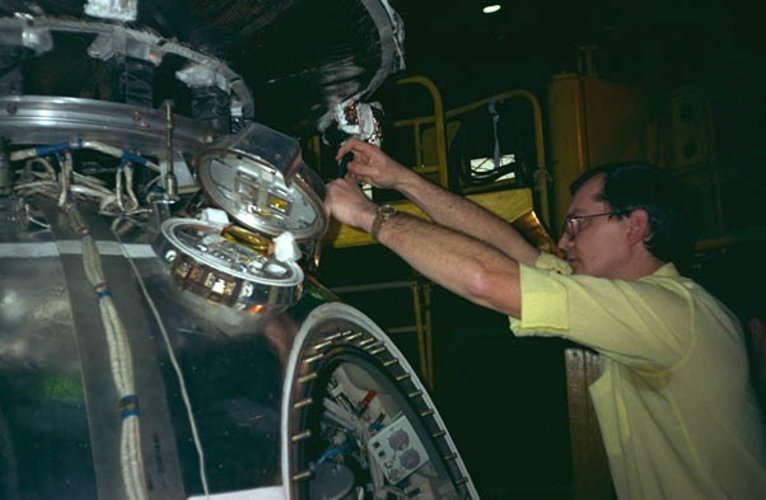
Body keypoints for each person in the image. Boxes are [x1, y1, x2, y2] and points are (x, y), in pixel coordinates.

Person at [325, 137, 766, 499]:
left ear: (635, 226)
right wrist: (400, 179)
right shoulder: (637, 301)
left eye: (578, 224)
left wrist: (368, 217)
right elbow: (510, 250)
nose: (563, 239)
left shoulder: (673, 314)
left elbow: (486, 280)